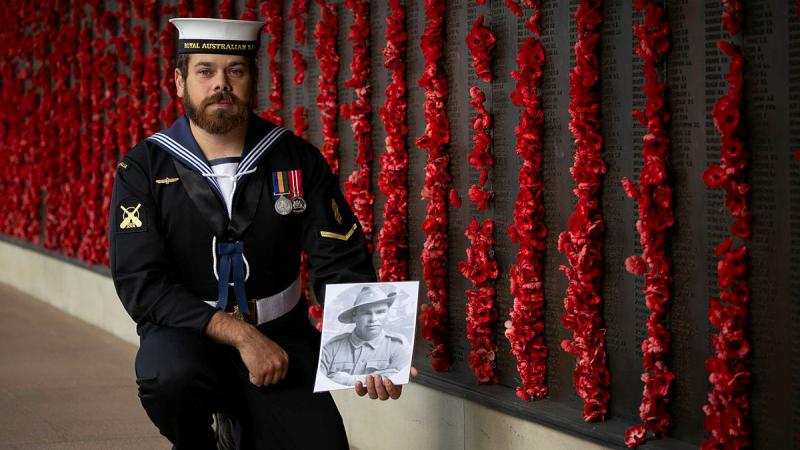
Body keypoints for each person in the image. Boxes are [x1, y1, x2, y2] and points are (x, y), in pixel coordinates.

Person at [109, 18, 407, 450]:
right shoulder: (143, 168)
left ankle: (245, 423)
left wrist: (378, 352)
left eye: (236, 71)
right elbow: (141, 284)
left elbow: (338, 258)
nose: (220, 84)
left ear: (253, 80)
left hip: (282, 338)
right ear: (179, 81)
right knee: (166, 376)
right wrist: (242, 335)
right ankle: (197, 443)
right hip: (186, 337)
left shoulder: (295, 158)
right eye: (205, 71)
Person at [320, 285, 411, 386]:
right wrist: (380, 376)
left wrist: (351, 380)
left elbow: (398, 375)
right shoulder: (332, 347)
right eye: (366, 313)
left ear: (387, 313)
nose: (373, 319)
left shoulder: (398, 345)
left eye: (380, 312)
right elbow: (320, 380)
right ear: (355, 316)